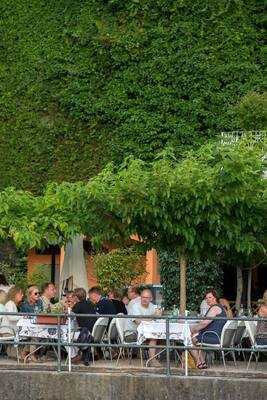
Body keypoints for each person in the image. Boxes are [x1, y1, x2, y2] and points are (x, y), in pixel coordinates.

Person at [190, 289, 227, 369]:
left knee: (188, 339)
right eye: (206, 298)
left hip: (213, 337)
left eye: (210, 297)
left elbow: (205, 323)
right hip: (217, 336)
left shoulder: (214, 308)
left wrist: (192, 330)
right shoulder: (221, 308)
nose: (208, 300)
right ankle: (202, 363)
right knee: (195, 337)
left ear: (215, 298)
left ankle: (199, 363)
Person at [124, 288, 160, 367]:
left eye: (147, 298)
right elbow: (138, 321)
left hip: (146, 332)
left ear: (151, 299)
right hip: (131, 334)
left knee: (162, 337)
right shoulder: (135, 307)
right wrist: (154, 316)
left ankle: (156, 358)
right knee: (153, 337)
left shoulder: (152, 306)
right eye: (143, 297)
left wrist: (159, 311)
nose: (144, 299)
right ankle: (152, 360)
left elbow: (158, 311)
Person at [71, 288, 96, 366]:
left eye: (74, 295)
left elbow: (70, 316)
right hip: (93, 331)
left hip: (84, 332)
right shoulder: (91, 303)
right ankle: (82, 354)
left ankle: (74, 355)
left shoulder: (78, 305)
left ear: (76, 297)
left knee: (66, 335)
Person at [0, 286, 24, 359]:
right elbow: (11, 317)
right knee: (24, 337)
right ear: (14, 294)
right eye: (20, 294)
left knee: (23, 336)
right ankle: (19, 355)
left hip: (10, 330)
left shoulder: (12, 304)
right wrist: (23, 316)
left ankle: (17, 355)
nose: (22, 295)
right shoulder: (10, 303)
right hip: (7, 331)